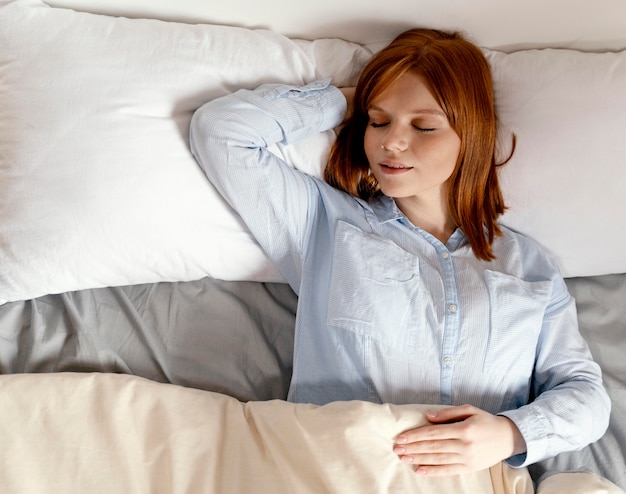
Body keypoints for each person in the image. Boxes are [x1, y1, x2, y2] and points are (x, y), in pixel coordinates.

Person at [190, 28, 610, 476]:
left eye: (423, 126)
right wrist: (353, 100)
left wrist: (510, 432)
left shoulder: (531, 267)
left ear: (472, 132)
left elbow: (585, 395)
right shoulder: (324, 225)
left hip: (474, 484)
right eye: (379, 122)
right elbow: (221, 132)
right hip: (339, 475)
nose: (391, 142)